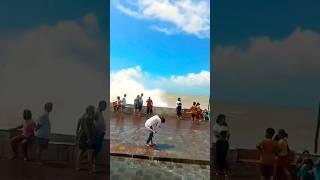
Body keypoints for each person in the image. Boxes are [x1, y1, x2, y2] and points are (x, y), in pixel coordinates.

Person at [76, 105, 96, 172]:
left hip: (82, 136)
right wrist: (89, 138)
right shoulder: (88, 118)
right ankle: (90, 169)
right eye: (92, 110)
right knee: (90, 152)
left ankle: (78, 167)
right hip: (86, 136)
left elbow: (78, 128)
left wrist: (77, 135)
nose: (94, 111)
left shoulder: (83, 117)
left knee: (81, 151)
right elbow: (86, 129)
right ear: (89, 111)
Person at [92, 100, 107, 173]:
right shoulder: (97, 112)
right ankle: (92, 166)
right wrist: (98, 132)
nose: (105, 108)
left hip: (100, 134)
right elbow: (94, 123)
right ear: (101, 105)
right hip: (97, 135)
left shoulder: (100, 112)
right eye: (105, 106)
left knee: (96, 151)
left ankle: (93, 165)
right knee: (95, 150)